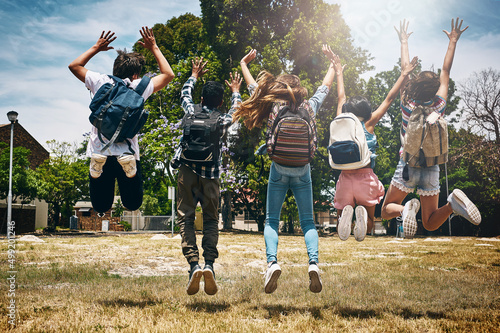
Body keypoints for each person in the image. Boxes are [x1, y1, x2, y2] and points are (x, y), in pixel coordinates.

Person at [234, 46, 336, 294]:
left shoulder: (272, 105)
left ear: (280, 88)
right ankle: (313, 264)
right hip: (303, 168)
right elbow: (325, 87)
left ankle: (272, 263)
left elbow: (252, 88)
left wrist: (244, 64)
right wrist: (333, 63)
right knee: (308, 221)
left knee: (271, 219)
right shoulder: (309, 106)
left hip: (278, 167)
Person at [381, 18, 481, 237]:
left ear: (413, 87)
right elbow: (446, 70)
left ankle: (405, 208)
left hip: (408, 165)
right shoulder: (440, 105)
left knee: (387, 210)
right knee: (429, 222)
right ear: (435, 89)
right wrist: (453, 41)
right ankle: (452, 205)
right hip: (432, 166)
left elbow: (404, 70)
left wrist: (404, 41)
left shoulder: (407, 104)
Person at [68, 28, 174, 215]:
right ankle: (130, 171)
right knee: (133, 203)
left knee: (101, 206)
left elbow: (74, 66)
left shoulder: (101, 81)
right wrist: (154, 47)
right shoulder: (140, 86)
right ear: (136, 74)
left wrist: (96, 47)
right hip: (128, 151)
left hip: (99, 150)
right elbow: (168, 75)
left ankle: (95, 169)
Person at [326, 47, 418, 241]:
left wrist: (339, 72)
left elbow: (341, 96)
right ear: (367, 110)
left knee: (342, 217)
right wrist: (403, 75)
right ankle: (358, 214)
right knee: (368, 225)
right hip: (365, 179)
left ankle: (346, 215)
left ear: (348, 109)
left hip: (344, 178)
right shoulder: (369, 122)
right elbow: (389, 98)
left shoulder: (341, 118)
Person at [171, 57, 242, 296]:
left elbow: (184, 94)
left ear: (201, 100)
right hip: (211, 176)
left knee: (186, 219)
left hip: (187, 173)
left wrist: (193, 75)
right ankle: (209, 264)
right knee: (211, 220)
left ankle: (193, 265)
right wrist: (235, 91)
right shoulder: (221, 120)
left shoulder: (191, 111)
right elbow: (237, 111)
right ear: (220, 101)